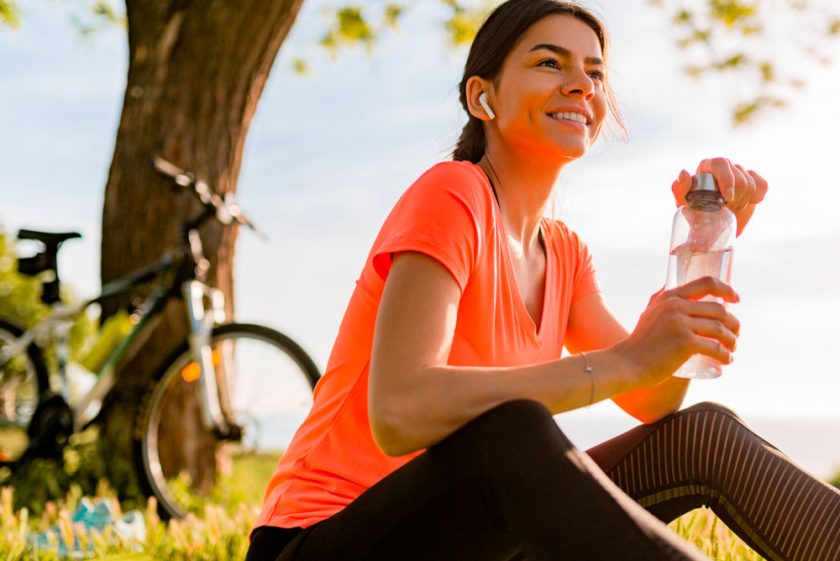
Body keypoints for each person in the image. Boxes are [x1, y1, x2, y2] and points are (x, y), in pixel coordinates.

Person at [246, 1, 840, 560]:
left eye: (595, 72)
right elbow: (401, 410)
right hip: (321, 539)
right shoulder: (452, 194)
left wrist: (703, 247)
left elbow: (653, 396)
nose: (582, 84)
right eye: (550, 63)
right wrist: (626, 359)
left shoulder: (565, 253)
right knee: (514, 429)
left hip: (473, 536)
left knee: (700, 435)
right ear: (482, 97)